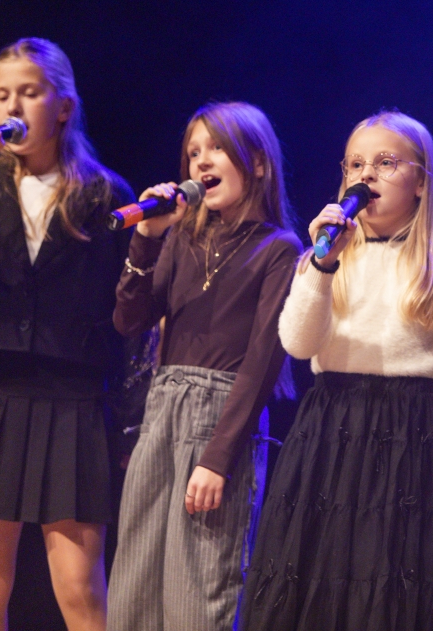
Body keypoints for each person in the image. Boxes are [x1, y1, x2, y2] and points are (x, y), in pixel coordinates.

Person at [241, 111, 433, 631]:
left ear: (421, 182)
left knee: (382, 587)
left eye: (385, 162)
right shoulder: (325, 261)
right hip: (329, 431)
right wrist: (322, 266)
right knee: (311, 580)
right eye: (355, 164)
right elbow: (297, 343)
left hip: (405, 440)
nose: (366, 174)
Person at [0, 38, 133, 631]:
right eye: (1, 94)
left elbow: (130, 311)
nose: (11, 107)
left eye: (28, 93)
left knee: (79, 590)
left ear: (63, 107)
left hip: (71, 403)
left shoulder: (105, 195)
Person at [106, 101, 301, 631]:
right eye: (193, 153)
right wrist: (146, 238)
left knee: (198, 591)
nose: (201, 161)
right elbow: (129, 320)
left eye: (216, 148)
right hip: (161, 416)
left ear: (256, 163)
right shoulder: (181, 238)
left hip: (221, 422)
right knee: (135, 586)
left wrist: (217, 458)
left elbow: (262, 361)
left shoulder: (278, 249)